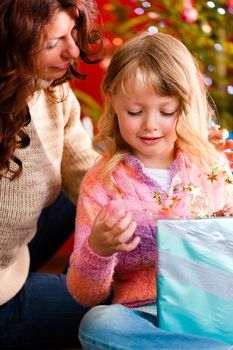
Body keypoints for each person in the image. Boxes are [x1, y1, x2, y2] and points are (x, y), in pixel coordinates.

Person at [67, 32, 233, 349]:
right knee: (98, 323)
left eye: (166, 111)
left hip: (213, 311)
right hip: (140, 315)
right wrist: (98, 250)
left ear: (185, 106)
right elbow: (85, 294)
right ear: (113, 99)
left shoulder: (210, 167)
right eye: (135, 111)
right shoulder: (103, 181)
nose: (150, 125)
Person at [0, 0, 103, 348]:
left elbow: (85, 171)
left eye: (72, 32)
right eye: (52, 43)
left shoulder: (53, 89)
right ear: (12, 46)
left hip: (14, 251)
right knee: (117, 299)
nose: (72, 50)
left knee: (92, 191)